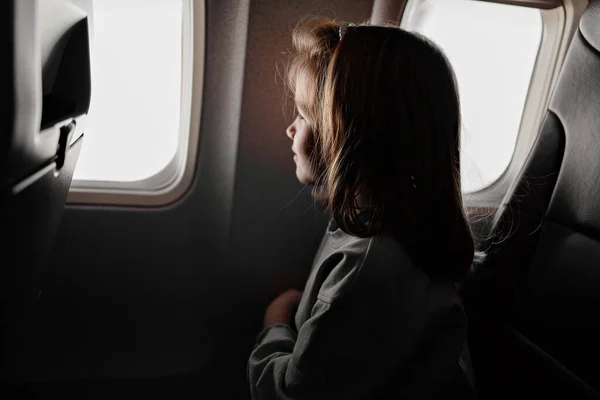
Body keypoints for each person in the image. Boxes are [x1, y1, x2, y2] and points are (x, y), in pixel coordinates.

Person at [247, 17, 476, 399]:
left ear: (347, 138)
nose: (291, 128)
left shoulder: (367, 273)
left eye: (303, 116)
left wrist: (275, 321)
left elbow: (290, 395)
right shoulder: (379, 231)